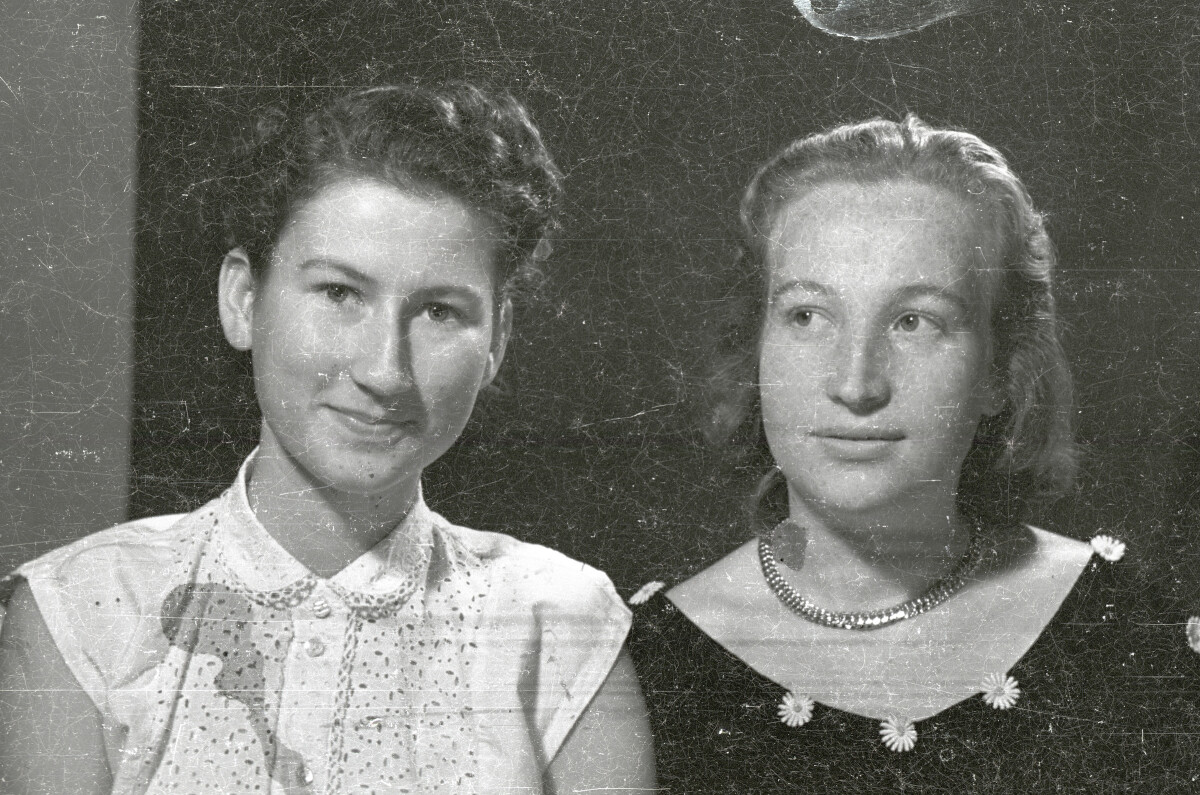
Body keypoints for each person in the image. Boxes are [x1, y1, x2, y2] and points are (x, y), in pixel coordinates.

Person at [0, 83, 654, 794]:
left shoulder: (561, 623)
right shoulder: (84, 608)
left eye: (439, 310)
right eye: (341, 293)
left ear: (497, 341)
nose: (384, 370)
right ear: (244, 300)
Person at [628, 115, 1200, 792]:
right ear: (755, 347)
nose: (856, 383)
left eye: (915, 321)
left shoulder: (1126, 628)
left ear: (1002, 370)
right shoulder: (642, 662)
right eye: (807, 316)